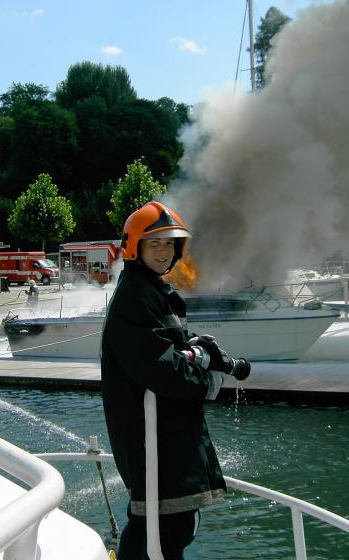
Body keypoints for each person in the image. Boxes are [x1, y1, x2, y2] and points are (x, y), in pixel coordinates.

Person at [101, 201, 251, 560]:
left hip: (165, 438)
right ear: (134, 247)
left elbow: (165, 348)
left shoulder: (150, 289)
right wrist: (209, 381)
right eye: (154, 243)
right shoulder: (135, 295)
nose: (164, 251)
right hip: (155, 441)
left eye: (170, 243)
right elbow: (160, 366)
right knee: (164, 528)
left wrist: (193, 349)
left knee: (169, 526)